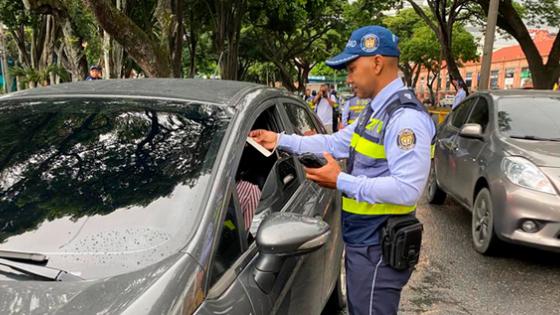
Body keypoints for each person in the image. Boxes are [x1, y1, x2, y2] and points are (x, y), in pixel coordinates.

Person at [250, 25, 436, 315]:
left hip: (379, 247)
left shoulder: (404, 118)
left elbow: (408, 189)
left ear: (376, 62)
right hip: (366, 242)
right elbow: (335, 142)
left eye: (351, 68)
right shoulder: (376, 112)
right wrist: (280, 139)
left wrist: (341, 180)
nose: (348, 79)